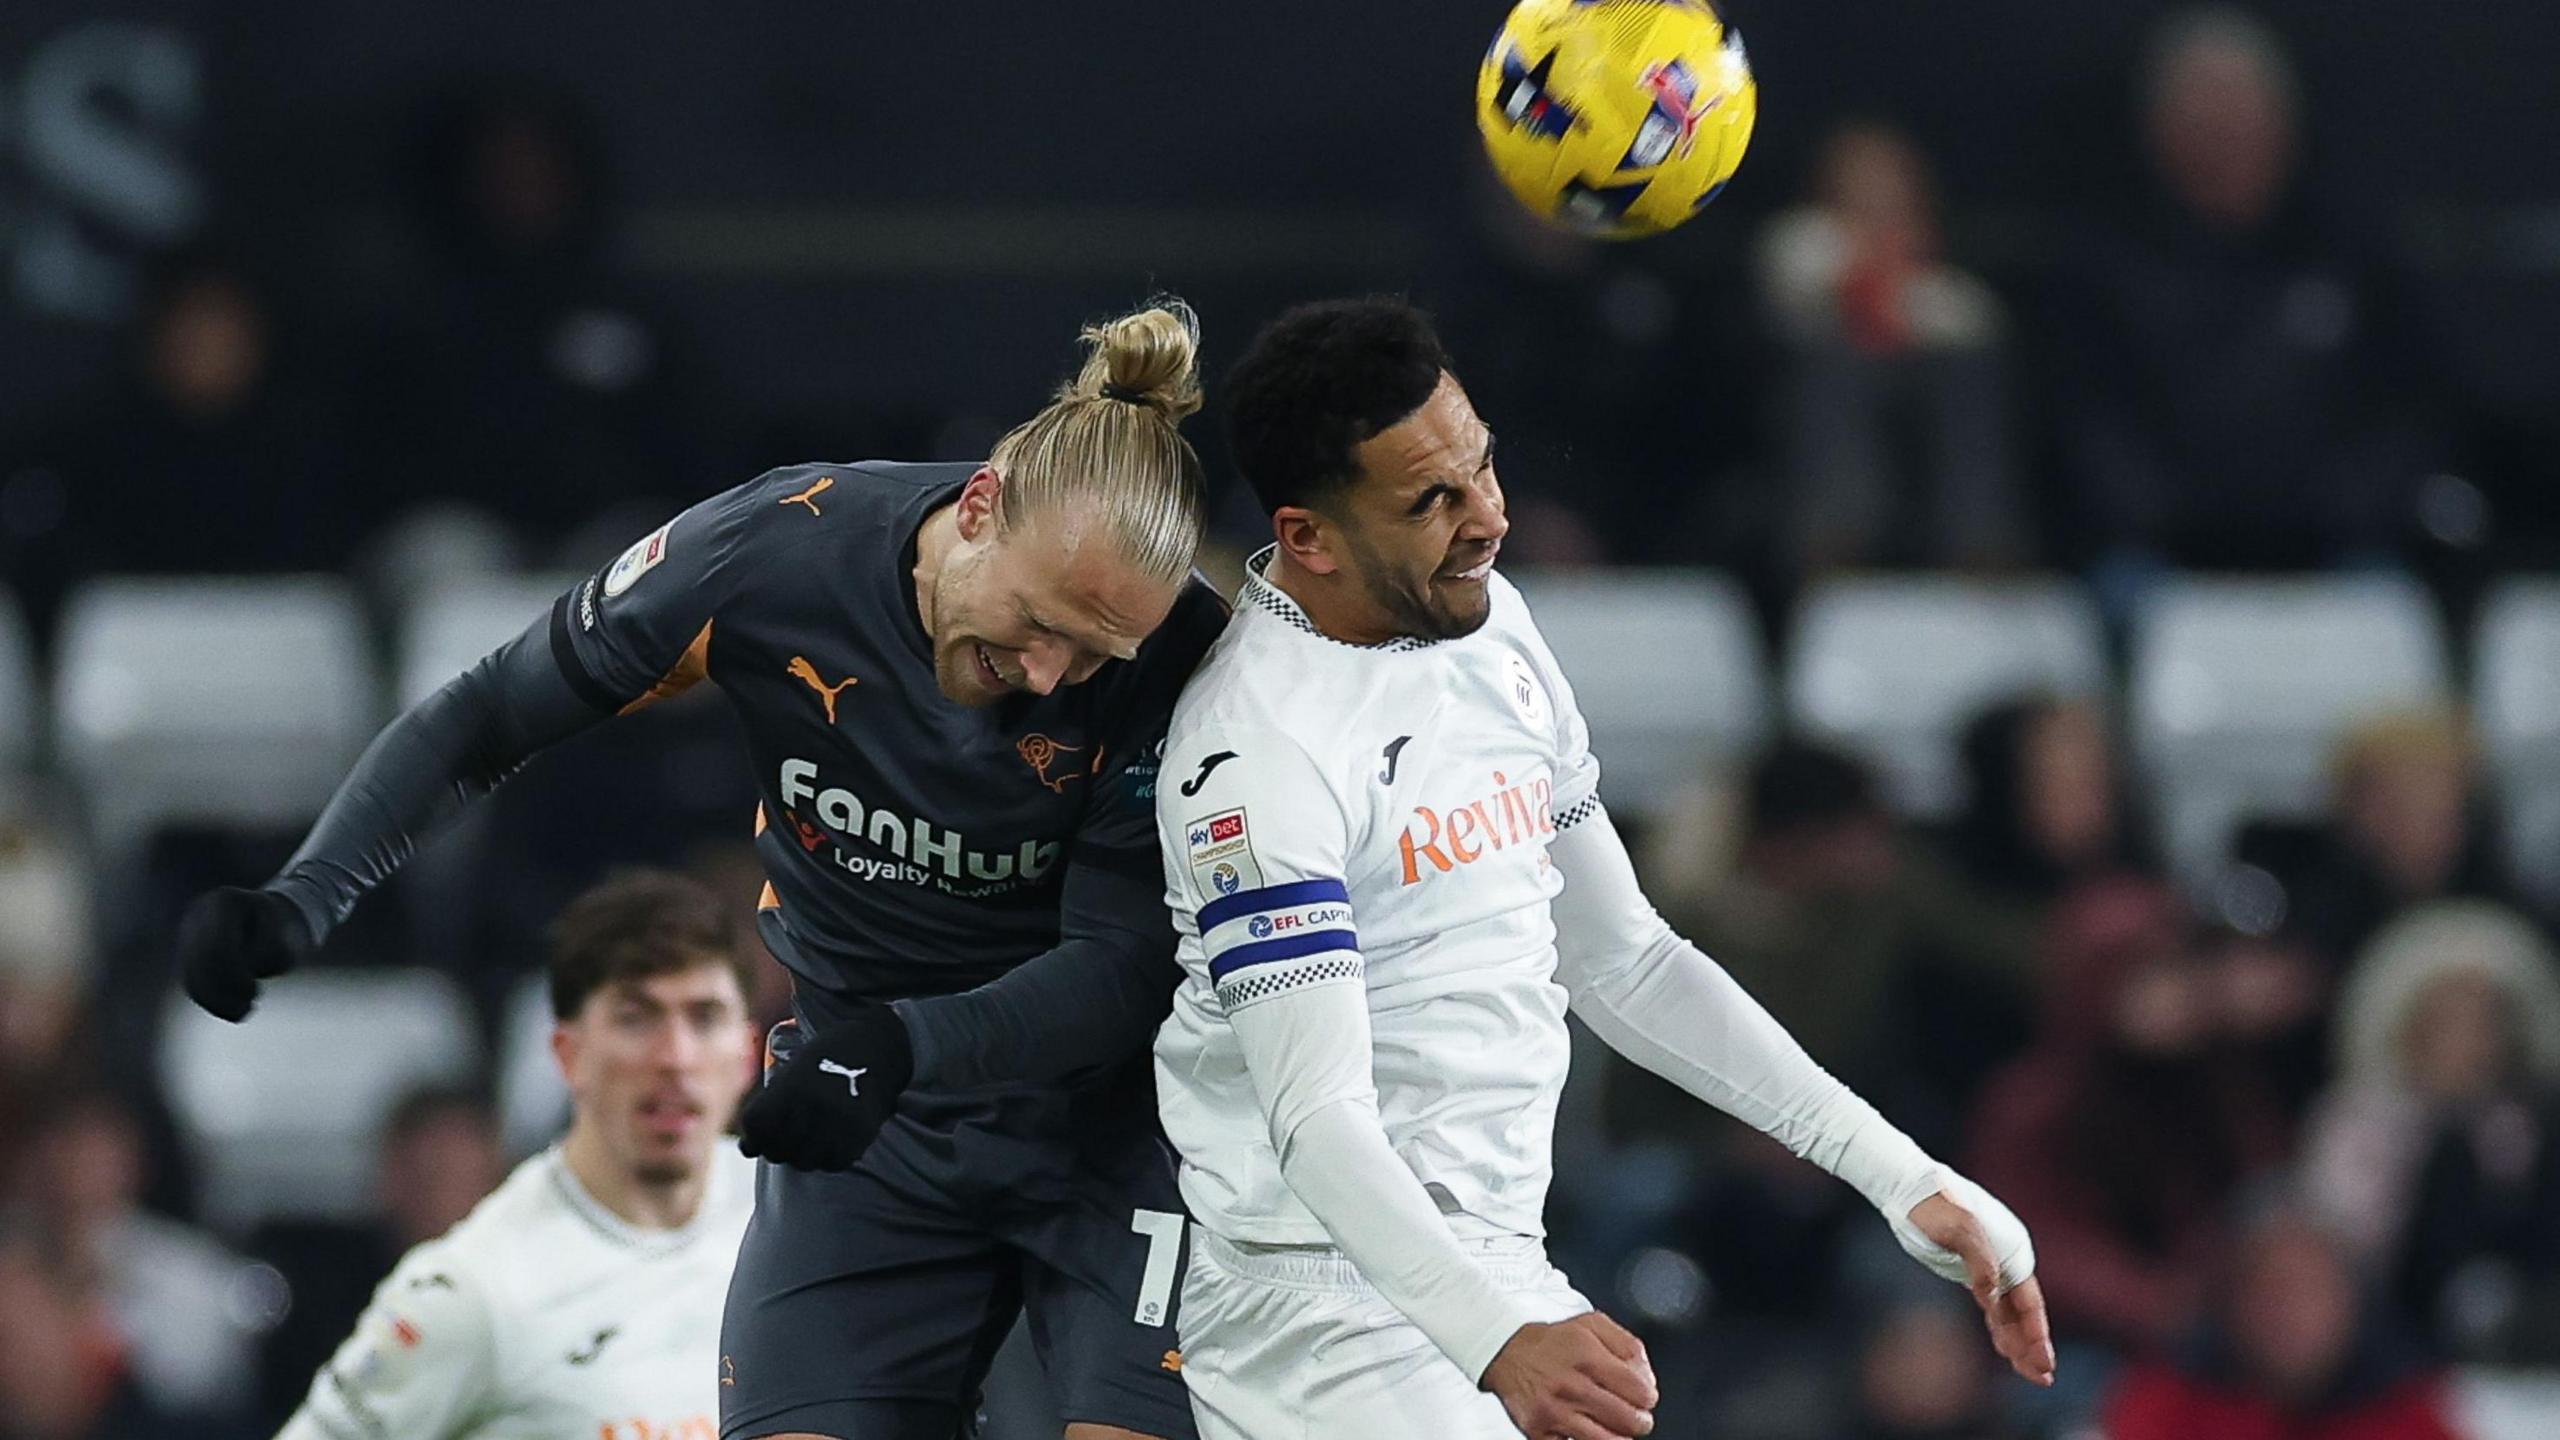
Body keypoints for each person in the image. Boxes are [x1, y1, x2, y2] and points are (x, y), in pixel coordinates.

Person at [174, 300, 1228, 1440]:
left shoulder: (1183, 657)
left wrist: (897, 1046)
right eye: (1039, 620)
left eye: (1095, 653)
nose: (1053, 674)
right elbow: (492, 712)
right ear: (978, 505)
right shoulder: (779, 551)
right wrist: (310, 892)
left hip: (1111, 1134)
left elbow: (1119, 969)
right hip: (866, 1128)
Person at [1149, 298, 2051, 1440]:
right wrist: (1499, 1339)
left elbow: (1625, 961)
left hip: (1492, 1273)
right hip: (1321, 1308)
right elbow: (1315, 1121)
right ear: (1309, 537)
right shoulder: (1256, 752)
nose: (1489, 517)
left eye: (1482, 467)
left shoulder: (1493, 630)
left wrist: (1898, 1175)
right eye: (1431, 501)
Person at [273, 870, 758, 1440]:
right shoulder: (474, 1290)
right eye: (636, 1018)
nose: (675, 1056)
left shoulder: (806, 1223)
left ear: (749, 1054)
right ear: (569, 1054)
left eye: (705, 1017)